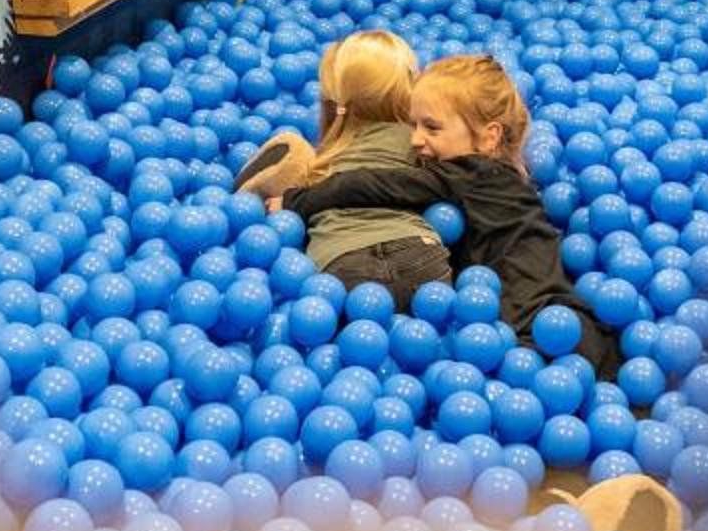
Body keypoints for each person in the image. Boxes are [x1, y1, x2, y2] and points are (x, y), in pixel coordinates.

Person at [257, 52, 620, 377]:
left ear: (489, 137)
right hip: (572, 320)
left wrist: (298, 200)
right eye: (413, 125)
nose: (415, 139)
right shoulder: (506, 178)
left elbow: (376, 185)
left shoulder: (466, 174)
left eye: (431, 128)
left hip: (525, 327)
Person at [236, 30, 451, 305]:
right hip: (420, 256)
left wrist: (286, 199)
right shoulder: (420, 140)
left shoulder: (327, 156)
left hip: (339, 266)